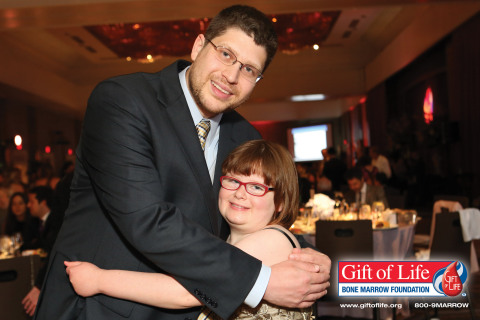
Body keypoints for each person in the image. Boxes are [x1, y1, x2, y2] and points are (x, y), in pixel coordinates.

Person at [34, 5, 330, 320]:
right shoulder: (123, 101)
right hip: (100, 308)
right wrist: (259, 280)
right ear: (198, 46)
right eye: (226, 54)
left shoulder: (245, 136)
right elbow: (146, 220)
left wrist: (298, 252)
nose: (231, 76)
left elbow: (251, 218)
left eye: (248, 70)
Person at [65, 140, 313, 319]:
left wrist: (98, 280)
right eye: (233, 180)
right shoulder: (232, 241)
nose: (240, 193)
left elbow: (184, 293)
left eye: (257, 187)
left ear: (281, 201)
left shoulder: (271, 240)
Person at [22, 185, 65, 316]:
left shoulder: (56, 222)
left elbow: (54, 251)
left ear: (43, 202)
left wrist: (39, 286)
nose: (28, 205)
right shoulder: (35, 223)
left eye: (32, 201)